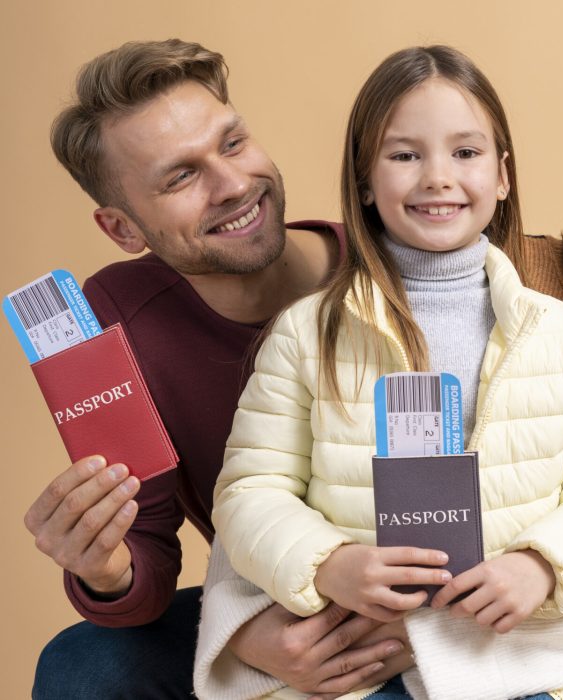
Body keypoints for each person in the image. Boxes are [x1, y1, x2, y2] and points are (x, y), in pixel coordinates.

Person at [195, 59, 563, 699]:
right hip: (338, 632)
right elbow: (265, 485)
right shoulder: (460, 257)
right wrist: (245, 633)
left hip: (506, 658)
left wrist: (437, 629)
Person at [25, 39, 408, 699]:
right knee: (83, 666)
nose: (232, 185)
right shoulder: (119, 322)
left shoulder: (400, 265)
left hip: (442, 590)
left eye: (232, 144)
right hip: (276, 597)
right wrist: (106, 568)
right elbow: (145, 567)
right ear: (122, 228)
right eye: (180, 177)